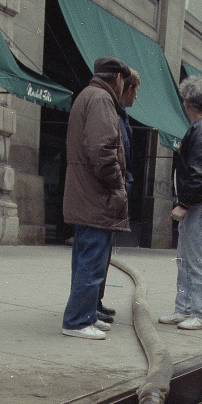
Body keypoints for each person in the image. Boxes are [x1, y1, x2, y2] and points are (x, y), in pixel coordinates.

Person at [62, 55, 131, 340]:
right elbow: (102, 152)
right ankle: (78, 321)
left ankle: (85, 314)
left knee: (85, 259)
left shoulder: (87, 96)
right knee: (92, 261)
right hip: (96, 197)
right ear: (117, 79)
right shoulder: (102, 100)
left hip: (84, 196)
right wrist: (118, 184)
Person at [158, 75, 202, 330]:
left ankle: (198, 312)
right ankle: (186, 309)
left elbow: (198, 169)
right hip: (201, 203)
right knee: (187, 258)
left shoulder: (201, 130)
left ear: (187, 103)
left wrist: (184, 203)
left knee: (194, 259)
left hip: (198, 204)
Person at [96, 67, 141, 323]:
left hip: (115, 194)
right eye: (136, 91)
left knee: (104, 252)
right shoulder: (110, 111)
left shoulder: (122, 116)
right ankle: (89, 305)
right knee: (97, 252)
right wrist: (119, 185)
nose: (136, 98)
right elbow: (108, 154)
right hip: (107, 195)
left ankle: (96, 301)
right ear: (128, 87)